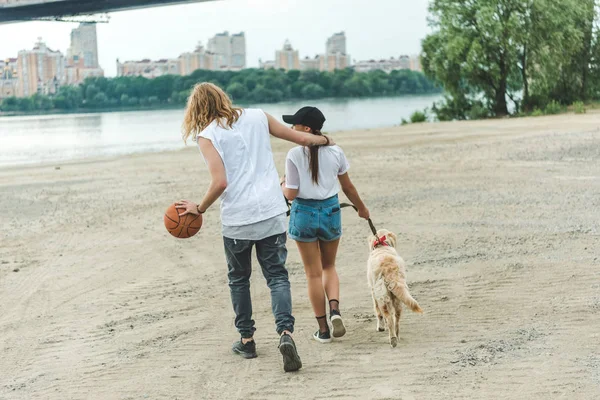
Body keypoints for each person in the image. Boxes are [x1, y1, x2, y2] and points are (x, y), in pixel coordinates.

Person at [176, 83, 333, 372]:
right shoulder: (258, 115)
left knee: (239, 280)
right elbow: (298, 137)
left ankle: (247, 341)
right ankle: (286, 334)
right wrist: (323, 141)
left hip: (238, 219)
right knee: (277, 277)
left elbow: (220, 182)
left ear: (196, 109)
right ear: (223, 98)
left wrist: (199, 208)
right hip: (271, 212)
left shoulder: (207, 135)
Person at [280, 106, 370, 343]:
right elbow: (348, 187)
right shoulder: (336, 152)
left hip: (304, 213)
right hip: (330, 210)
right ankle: (335, 311)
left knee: (313, 274)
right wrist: (361, 208)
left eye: (295, 125)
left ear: (307, 129)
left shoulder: (294, 154)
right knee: (329, 266)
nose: (291, 128)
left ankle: (323, 330)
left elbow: (291, 193)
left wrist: (280, 185)